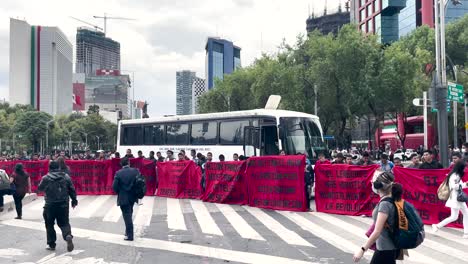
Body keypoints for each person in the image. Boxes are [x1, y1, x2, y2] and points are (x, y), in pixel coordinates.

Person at [353, 171, 403, 263]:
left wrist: (362, 249)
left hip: (385, 249)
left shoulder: (385, 204)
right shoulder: (390, 199)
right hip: (387, 247)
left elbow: (377, 231)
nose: (372, 182)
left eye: (373, 181)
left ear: (378, 185)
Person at [37, 161, 77, 252]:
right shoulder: (66, 177)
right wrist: (74, 200)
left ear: (49, 168)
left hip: (50, 205)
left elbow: (40, 189)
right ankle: (67, 236)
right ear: (58, 168)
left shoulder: (45, 178)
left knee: (49, 224)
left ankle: (51, 244)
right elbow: (72, 189)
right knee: (64, 223)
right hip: (63, 204)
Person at [432, 161, 468, 238]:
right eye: (464, 167)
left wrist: (465, 184)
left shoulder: (457, 175)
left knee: (457, 216)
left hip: (458, 198)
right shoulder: (454, 175)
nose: (465, 169)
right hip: (456, 198)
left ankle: (437, 226)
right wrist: (464, 184)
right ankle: (437, 226)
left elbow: (460, 185)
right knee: (457, 216)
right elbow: (454, 186)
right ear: (460, 167)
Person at [112, 157, 139, 241]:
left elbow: (114, 187)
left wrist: (119, 192)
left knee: (127, 216)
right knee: (129, 213)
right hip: (133, 196)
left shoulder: (118, 173)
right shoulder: (135, 171)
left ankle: (130, 235)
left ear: (121, 164)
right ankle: (127, 232)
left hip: (123, 197)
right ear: (128, 163)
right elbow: (139, 182)